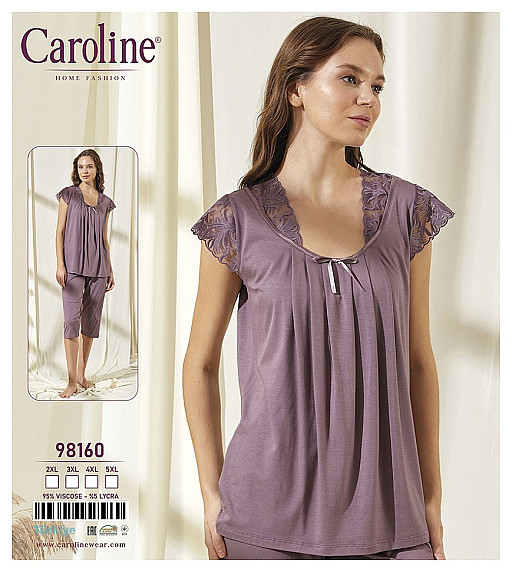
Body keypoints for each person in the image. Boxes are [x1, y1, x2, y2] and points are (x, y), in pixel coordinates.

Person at [183, 16, 455, 560]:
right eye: (350, 78)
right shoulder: (238, 219)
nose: (368, 98)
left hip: (392, 518)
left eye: (377, 86)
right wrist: (212, 494)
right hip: (261, 517)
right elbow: (200, 365)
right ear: (296, 88)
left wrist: (431, 496)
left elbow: (419, 362)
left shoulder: (408, 211)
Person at [55, 149, 116, 398]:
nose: (85, 171)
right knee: (71, 322)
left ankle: (81, 374)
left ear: (97, 169)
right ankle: (71, 382)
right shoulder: (68, 195)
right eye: (81, 167)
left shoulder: (105, 202)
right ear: (76, 170)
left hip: (99, 269)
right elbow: (59, 232)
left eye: (89, 166)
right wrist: (60, 265)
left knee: (90, 323)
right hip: (72, 267)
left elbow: (104, 238)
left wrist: (110, 269)